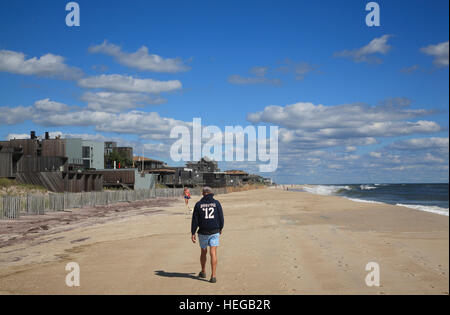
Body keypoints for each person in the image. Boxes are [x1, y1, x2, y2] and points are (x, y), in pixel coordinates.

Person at [191, 186, 224, 283]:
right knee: (213, 253)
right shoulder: (216, 203)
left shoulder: (198, 204)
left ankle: (203, 271)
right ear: (211, 193)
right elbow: (221, 217)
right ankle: (213, 276)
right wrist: (220, 228)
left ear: (204, 193)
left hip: (203, 231)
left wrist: (193, 232)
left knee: (203, 252)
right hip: (214, 231)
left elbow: (195, 220)